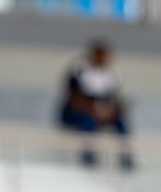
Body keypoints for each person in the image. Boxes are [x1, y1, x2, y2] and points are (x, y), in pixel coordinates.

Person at [56, 40, 134, 171]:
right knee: (88, 123)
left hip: (102, 113)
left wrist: (116, 109)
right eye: (99, 55)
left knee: (121, 124)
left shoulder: (111, 74)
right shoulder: (79, 70)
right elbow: (73, 99)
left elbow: (113, 98)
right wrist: (93, 109)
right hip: (79, 112)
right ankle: (88, 158)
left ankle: (125, 158)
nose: (102, 59)